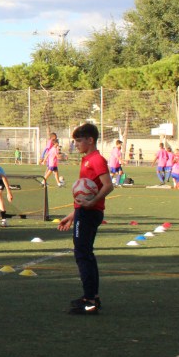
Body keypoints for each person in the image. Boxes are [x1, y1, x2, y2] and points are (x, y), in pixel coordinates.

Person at [57, 123, 112, 315]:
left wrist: (90, 204)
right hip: (84, 212)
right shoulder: (87, 159)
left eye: (79, 140)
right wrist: (73, 215)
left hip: (89, 212)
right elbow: (86, 194)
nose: (77, 144)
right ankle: (92, 297)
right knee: (86, 254)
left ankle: (89, 302)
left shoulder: (96, 159)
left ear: (90, 140)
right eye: (75, 141)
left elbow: (108, 185)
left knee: (82, 254)